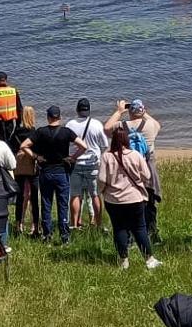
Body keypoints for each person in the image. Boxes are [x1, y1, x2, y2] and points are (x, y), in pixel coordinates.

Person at [99, 125, 160, 270]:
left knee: (119, 229)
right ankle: (149, 259)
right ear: (127, 140)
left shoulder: (107, 157)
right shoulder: (135, 155)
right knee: (140, 228)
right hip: (135, 198)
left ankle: (123, 260)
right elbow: (147, 175)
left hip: (113, 199)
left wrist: (101, 191)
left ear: (113, 141)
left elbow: (102, 179)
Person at [23, 106, 85, 244]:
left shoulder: (41, 132)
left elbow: (24, 146)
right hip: (62, 172)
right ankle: (64, 236)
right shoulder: (66, 132)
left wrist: (36, 156)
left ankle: (47, 235)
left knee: (46, 203)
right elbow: (83, 146)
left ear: (48, 117)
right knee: (62, 204)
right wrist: (72, 157)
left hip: (46, 172)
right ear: (60, 117)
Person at [66, 99, 110, 233]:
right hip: (93, 165)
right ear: (89, 110)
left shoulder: (70, 124)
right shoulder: (96, 124)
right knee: (95, 195)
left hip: (76, 163)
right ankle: (98, 224)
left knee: (75, 195)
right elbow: (104, 146)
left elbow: (66, 143)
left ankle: (74, 224)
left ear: (77, 110)